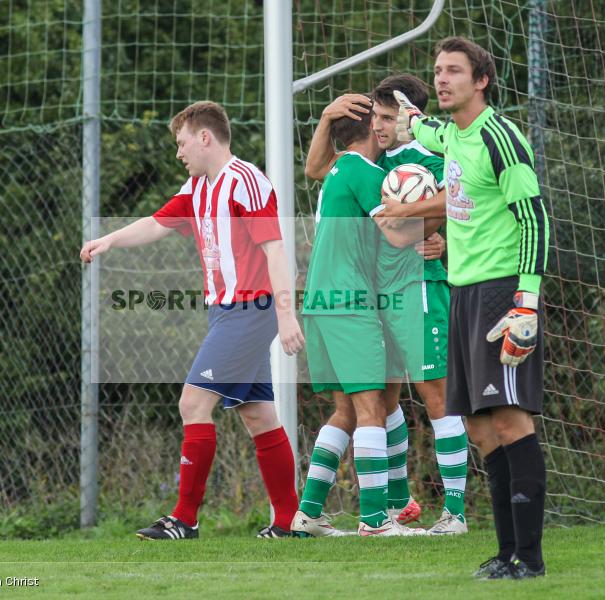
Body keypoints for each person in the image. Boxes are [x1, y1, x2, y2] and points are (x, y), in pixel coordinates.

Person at [80, 101, 305, 540]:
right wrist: (108, 239)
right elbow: (157, 223)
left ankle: (184, 519)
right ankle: (289, 521)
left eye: (182, 143)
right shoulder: (197, 187)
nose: (179, 152)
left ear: (205, 137)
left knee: (192, 402)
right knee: (258, 415)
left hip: (250, 310)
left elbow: (275, 250)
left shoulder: (247, 182)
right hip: (224, 312)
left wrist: (285, 314)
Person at [386, 36, 550, 578]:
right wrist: (403, 116)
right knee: (479, 427)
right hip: (462, 292)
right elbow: (423, 130)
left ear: (481, 80)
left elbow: (534, 219)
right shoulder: (448, 135)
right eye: (437, 71)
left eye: (454, 70)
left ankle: (529, 557)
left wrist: (526, 303)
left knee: (508, 419)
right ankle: (505, 554)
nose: (442, 79)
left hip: (503, 291)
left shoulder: (500, 136)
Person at [293, 75, 469, 537]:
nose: (381, 124)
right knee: (375, 404)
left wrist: (444, 241)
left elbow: (470, 203)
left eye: (389, 117)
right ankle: (382, 513)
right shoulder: (369, 164)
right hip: (361, 299)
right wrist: (427, 225)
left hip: (410, 289)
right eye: (377, 116)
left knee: (413, 398)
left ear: (413, 118)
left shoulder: (432, 157)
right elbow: (318, 170)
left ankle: (446, 511)